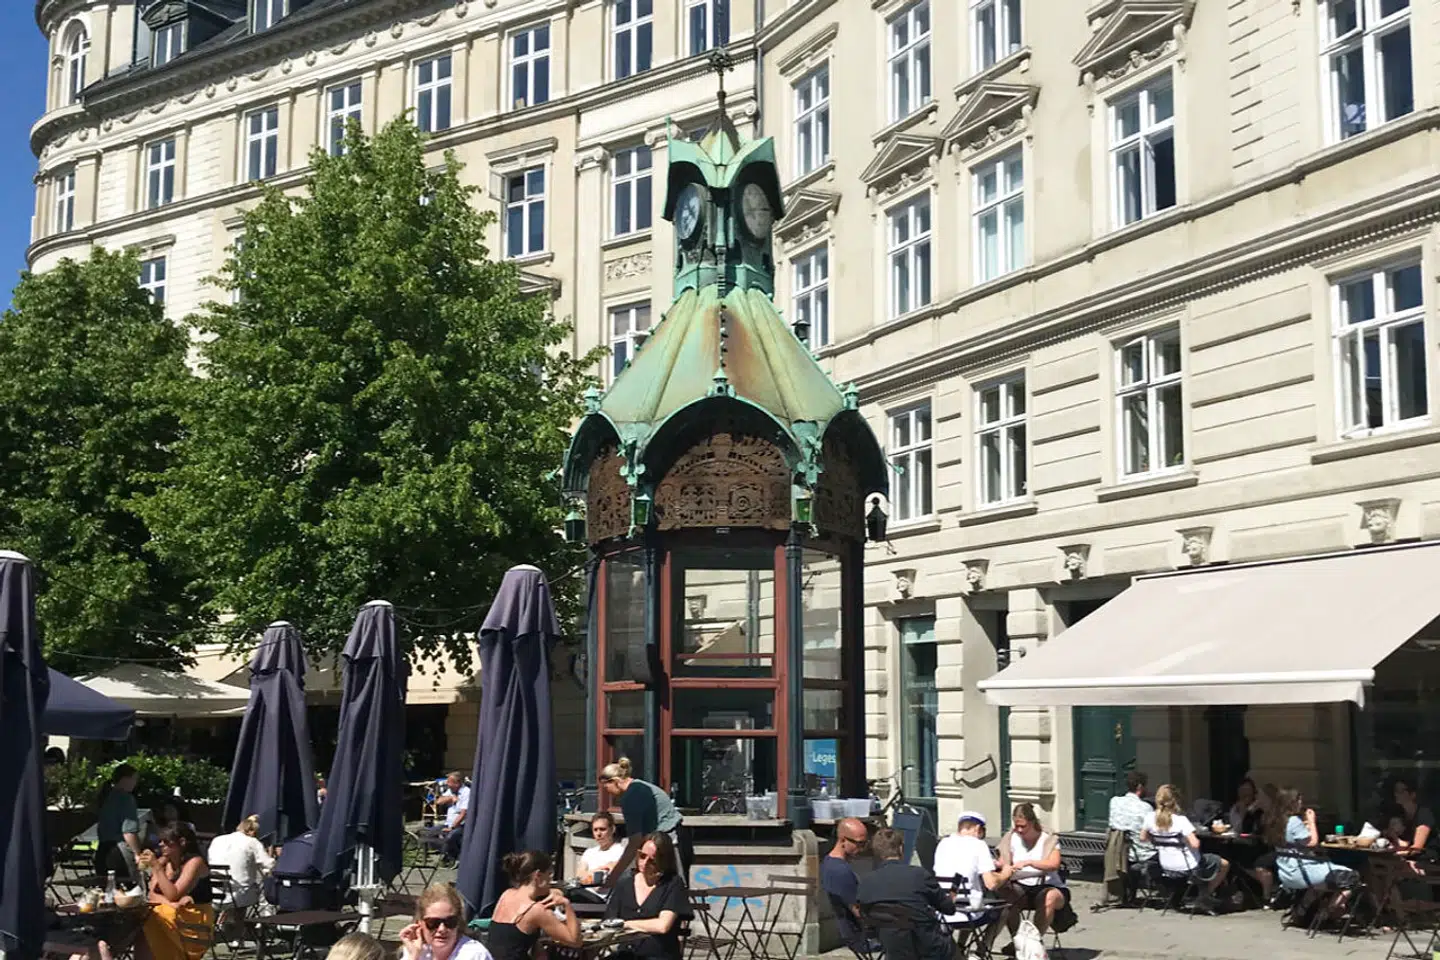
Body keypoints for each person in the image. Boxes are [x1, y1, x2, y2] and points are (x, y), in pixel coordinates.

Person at [855, 827, 955, 960]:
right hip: (928, 947)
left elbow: (865, 916)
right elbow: (948, 909)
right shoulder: (919, 875)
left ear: (877, 852)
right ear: (901, 849)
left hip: (892, 948)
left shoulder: (866, 882)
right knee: (952, 947)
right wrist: (951, 898)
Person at [1139, 785, 1229, 913]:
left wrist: (1158, 840)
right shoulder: (1180, 820)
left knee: (1205, 861)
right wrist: (1190, 839)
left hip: (1166, 866)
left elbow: (1142, 837)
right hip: (1188, 866)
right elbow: (1195, 844)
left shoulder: (1150, 817)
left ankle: (1195, 896)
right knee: (1224, 864)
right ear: (1176, 801)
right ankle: (1204, 896)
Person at [604, 833, 694, 960]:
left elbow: (662, 926)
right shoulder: (625, 882)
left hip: (659, 955)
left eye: (652, 860)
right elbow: (610, 921)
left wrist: (627, 924)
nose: (645, 863)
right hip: (626, 955)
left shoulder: (672, 883)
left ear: (663, 861)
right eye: (642, 856)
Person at [1272, 788, 1357, 923]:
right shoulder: (1294, 821)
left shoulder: (1277, 822)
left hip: (1286, 873)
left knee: (1321, 883)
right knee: (1352, 878)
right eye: (1299, 800)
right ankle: (1326, 913)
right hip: (1303, 872)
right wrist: (1311, 822)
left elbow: (1297, 840)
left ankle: (1300, 912)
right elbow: (1312, 843)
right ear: (1291, 802)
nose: (1301, 803)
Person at [931, 812, 1010, 954]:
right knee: (1004, 910)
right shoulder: (979, 845)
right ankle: (982, 950)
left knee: (969, 898)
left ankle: (961, 948)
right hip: (968, 914)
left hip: (943, 912)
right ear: (978, 828)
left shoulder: (942, 843)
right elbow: (991, 884)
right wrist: (1006, 873)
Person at [136, 822, 215, 960]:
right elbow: (152, 894)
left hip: (194, 919)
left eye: (166, 842)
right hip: (173, 913)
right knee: (144, 920)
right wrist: (171, 904)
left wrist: (156, 867)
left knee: (151, 918)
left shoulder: (195, 862)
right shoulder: (164, 861)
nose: (161, 845)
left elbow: (173, 894)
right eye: (160, 841)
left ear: (182, 842)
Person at [599, 759, 684, 880]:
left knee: (671, 884)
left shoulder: (631, 797)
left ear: (615, 781)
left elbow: (634, 842)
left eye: (606, 787)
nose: (608, 792)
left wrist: (614, 877)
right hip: (677, 838)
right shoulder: (640, 785)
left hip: (669, 843)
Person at [489, 850, 582, 960]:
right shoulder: (536, 910)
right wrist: (567, 904)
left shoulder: (506, 895)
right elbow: (575, 941)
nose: (551, 881)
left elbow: (512, 938)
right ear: (538, 875)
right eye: (549, 874)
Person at [997, 803, 1070, 939]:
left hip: (1049, 885)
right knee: (1004, 895)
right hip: (1021, 884)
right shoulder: (1011, 837)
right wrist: (998, 864)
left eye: (1023, 826)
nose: (1019, 830)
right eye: (1016, 826)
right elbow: (1004, 861)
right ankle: (1017, 940)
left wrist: (1030, 862)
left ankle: (1033, 940)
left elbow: (1054, 864)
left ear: (1032, 822)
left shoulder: (1048, 838)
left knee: (1049, 897)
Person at [400, 883, 494, 960]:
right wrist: (413, 956)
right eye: (433, 923)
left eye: (450, 922)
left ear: (458, 922)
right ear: (419, 924)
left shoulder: (475, 954)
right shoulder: (416, 949)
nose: (442, 929)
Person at [206, 815, 275, 910]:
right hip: (240, 896)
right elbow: (269, 864)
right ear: (252, 832)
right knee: (261, 882)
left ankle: (226, 918)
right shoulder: (252, 842)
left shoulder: (217, 840)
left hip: (214, 893)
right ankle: (242, 919)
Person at [819, 817, 869, 947]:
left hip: (851, 932)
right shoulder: (840, 871)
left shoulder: (828, 862)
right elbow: (858, 911)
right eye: (859, 844)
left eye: (865, 843)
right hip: (860, 936)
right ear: (843, 840)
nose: (862, 849)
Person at [95, 764, 144, 885]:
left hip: (103, 850)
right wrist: (138, 853)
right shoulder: (126, 799)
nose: (135, 783)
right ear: (125, 779)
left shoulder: (106, 796)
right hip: (119, 852)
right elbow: (128, 832)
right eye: (134, 779)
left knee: (107, 889)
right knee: (129, 889)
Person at [1106, 770, 1155, 866]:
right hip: (1143, 854)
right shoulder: (1146, 807)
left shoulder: (1114, 801)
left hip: (1120, 853)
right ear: (1140, 787)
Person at [578, 812, 627, 887]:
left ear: (612, 829)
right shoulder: (589, 852)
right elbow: (579, 876)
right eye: (595, 830)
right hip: (585, 891)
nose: (598, 834)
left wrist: (588, 874)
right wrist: (598, 870)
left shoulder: (621, 851)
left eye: (602, 829)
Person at [1392, 778, 1437, 858]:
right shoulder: (1400, 814)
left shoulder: (1424, 814)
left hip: (1427, 859)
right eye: (1396, 790)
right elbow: (1405, 844)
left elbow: (1417, 848)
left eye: (1400, 791)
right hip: (1407, 857)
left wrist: (1394, 853)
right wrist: (1393, 835)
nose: (1396, 794)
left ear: (1412, 795)